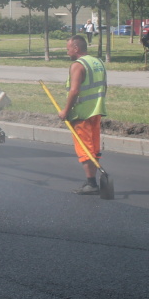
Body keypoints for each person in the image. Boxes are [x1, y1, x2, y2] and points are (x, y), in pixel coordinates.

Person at [59, 35, 107, 194]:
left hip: (82, 114)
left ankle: (91, 183)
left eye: (68, 49)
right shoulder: (97, 62)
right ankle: (92, 181)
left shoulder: (78, 65)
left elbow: (74, 90)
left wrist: (65, 111)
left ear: (76, 48)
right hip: (96, 111)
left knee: (85, 148)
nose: (67, 53)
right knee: (93, 148)